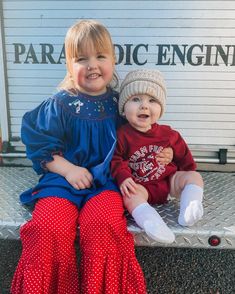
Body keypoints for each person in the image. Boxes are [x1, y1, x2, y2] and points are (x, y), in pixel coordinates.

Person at [11, 20, 172, 294]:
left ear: (113, 59)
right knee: (49, 227)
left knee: (104, 225)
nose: (92, 65)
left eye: (100, 56)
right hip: (62, 181)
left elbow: (144, 132)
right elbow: (39, 144)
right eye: (81, 58)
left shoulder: (122, 103)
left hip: (108, 181)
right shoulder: (60, 103)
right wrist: (68, 170)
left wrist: (162, 153)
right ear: (69, 65)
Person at [111, 69, 204, 244]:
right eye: (136, 99)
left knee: (195, 176)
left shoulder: (168, 134)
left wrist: (173, 156)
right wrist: (123, 178)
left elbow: (186, 160)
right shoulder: (122, 135)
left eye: (152, 100)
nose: (144, 106)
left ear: (160, 109)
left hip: (168, 183)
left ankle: (189, 208)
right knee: (130, 196)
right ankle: (150, 221)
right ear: (124, 108)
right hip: (141, 187)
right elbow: (116, 160)